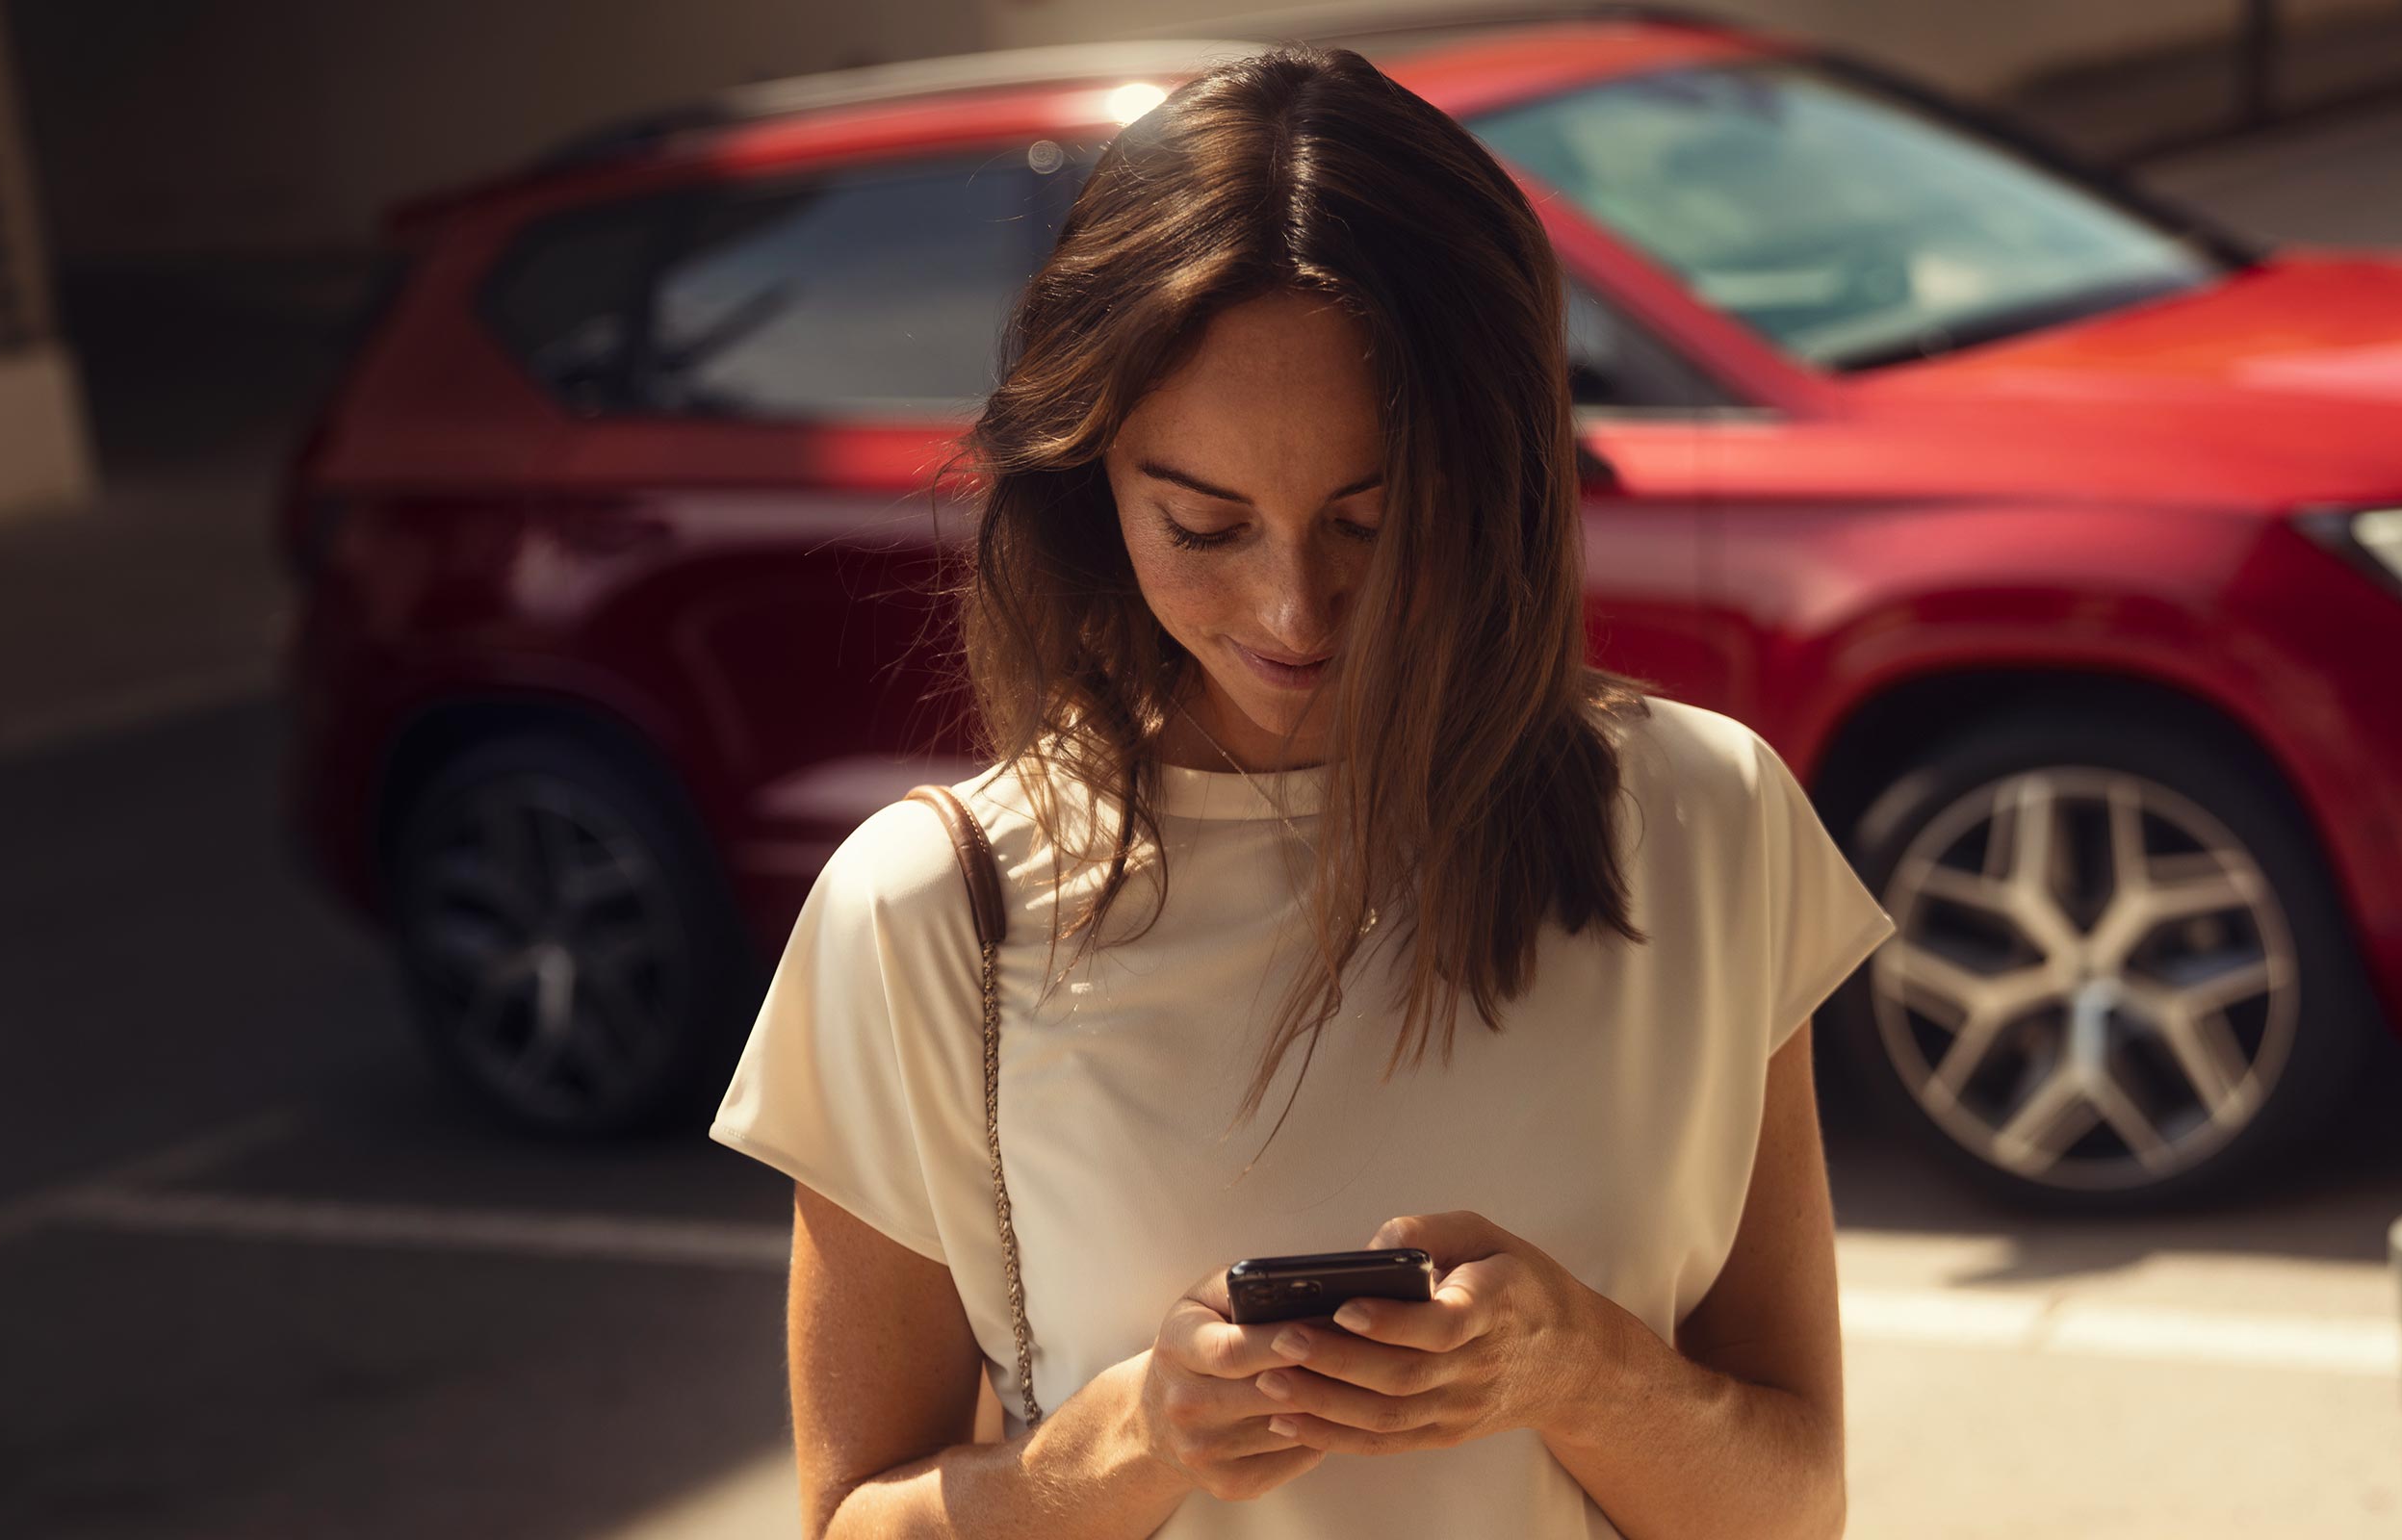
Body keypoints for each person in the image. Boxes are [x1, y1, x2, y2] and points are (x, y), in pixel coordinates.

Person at [709, 42, 1895, 1540]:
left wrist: (1571, 1371)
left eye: (1371, 522)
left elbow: (1795, 1510)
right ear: (1092, 484)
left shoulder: (1707, 821)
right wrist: (1138, 1436)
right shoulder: (933, 914)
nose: (1294, 613)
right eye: (1203, 523)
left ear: (1500, 478)